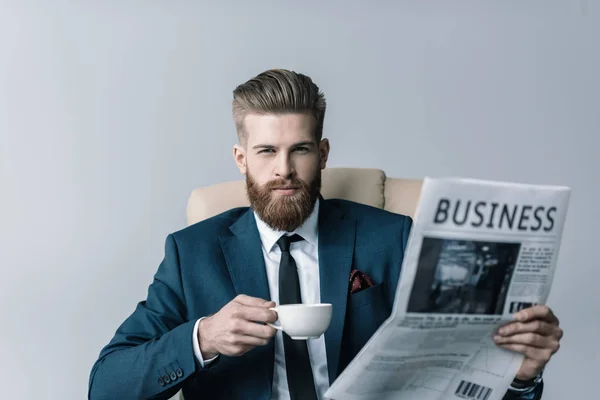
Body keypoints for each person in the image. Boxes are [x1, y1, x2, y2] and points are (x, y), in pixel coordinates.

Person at [88, 69, 563, 400]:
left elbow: (452, 373)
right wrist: (203, 338)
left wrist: (518, 378)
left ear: (324, 152)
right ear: (241, 159)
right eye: (267, 151)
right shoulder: (192, 254)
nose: (284, 171)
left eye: (301, 150)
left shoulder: (390, 236)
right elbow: (106, 385)